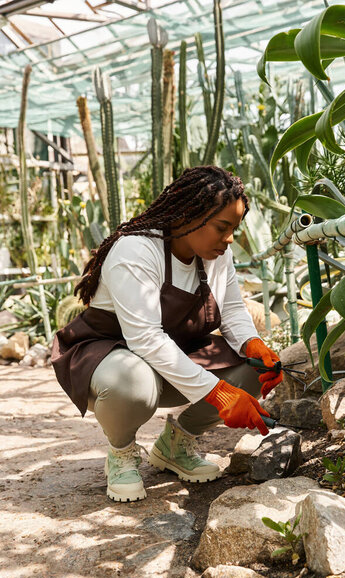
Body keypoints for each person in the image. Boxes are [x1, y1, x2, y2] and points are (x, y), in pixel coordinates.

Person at [51, 165, 283, 503]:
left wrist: (254, 344)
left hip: (177, 349)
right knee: (132, 382)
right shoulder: (135, 250)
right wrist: (220, 394)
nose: (230, 239)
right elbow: (145, 338)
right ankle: (122, 452)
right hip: (108, 353)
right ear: (190, 216)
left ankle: (176, 446)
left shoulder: (218, 255)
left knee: (253, 367)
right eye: (222, 227)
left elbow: (232, 310)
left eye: (234, 228)